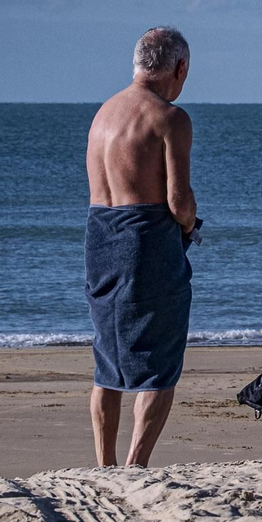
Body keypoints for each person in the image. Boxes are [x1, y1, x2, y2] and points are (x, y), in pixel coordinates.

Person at [83, 26, 197, 468]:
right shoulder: (169, 117)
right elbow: (178, 201)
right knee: (159, 359)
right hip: (145, 237)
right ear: (178, 67)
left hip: (100, 235)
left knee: (108, 359)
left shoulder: (104, 115)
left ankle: (104, 464)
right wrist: (190, 225)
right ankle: (135, 464)